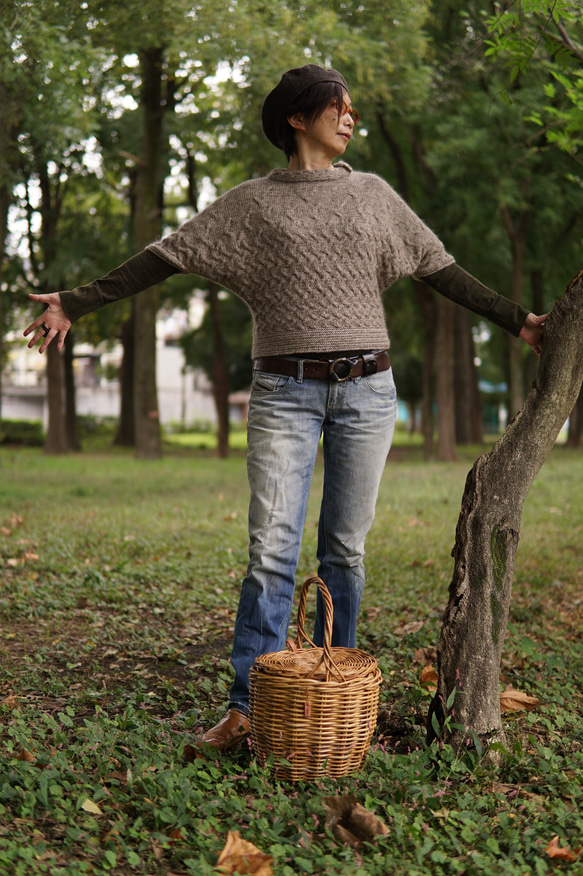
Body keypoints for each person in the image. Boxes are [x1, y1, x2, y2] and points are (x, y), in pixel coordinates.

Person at [24, 64, 546, 754]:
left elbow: (438, 267)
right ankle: (247, 709)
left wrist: (520, 323)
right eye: (339, 105)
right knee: (270, 553)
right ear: (298, 118)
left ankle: (331, 695)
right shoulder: (252, 205)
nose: (350, 116)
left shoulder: (373, 195)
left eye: (353, 107)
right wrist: (77, 301)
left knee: (343, 552)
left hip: (367, 393)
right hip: (283, 395)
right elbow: (166, 255)